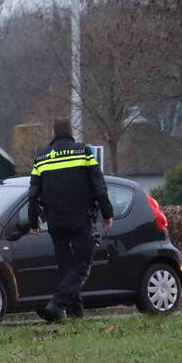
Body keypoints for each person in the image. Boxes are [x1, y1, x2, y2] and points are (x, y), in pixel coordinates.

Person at [28, 119, 114, 322]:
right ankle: (57, 304)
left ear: (53, 132)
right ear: (71, 132)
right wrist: (107, 213)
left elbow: (32, 194)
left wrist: (33, 222)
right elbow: (99, 187)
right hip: (80, 218)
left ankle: (75, 313)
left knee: (66, 265)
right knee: (83, 261)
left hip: (55, 221)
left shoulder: (41, 158)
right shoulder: (83, 153)